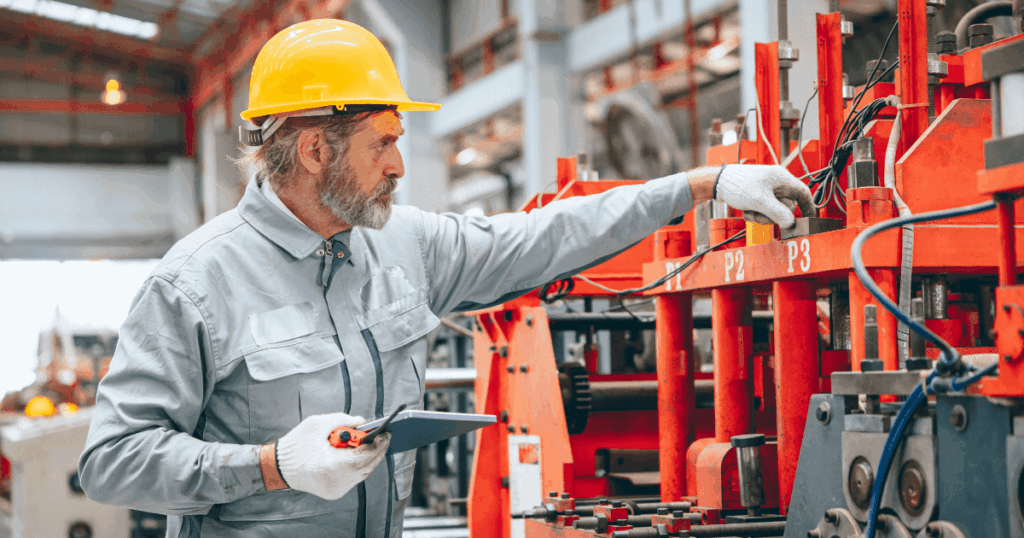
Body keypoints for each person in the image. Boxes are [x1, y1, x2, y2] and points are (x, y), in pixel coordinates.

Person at [78, 18, 813, 538]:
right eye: (383, 143)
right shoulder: (195, 284)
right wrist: (270, 466)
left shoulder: (403, 245)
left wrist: (698, 185)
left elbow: (546, 235)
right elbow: (112, 462)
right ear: (312, 151)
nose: (399, 165)